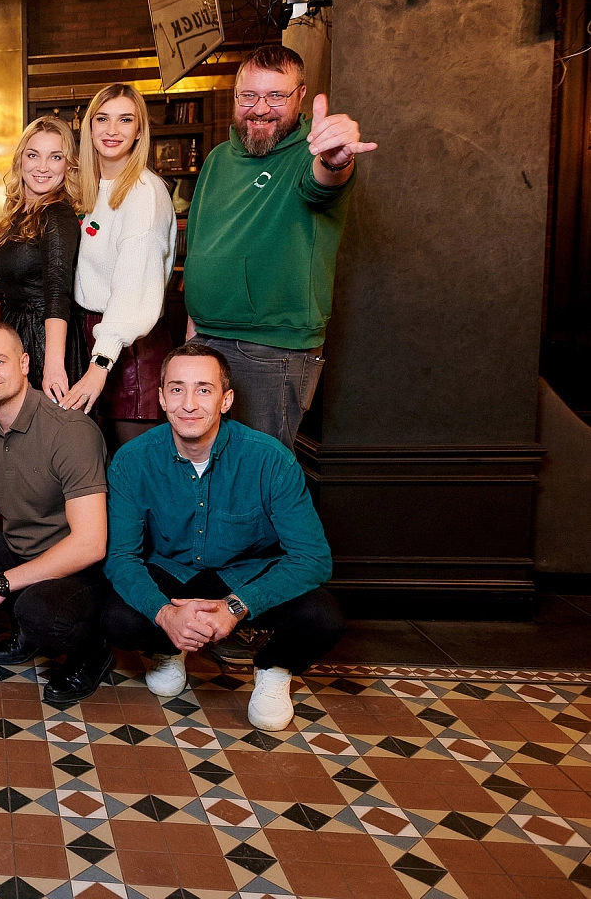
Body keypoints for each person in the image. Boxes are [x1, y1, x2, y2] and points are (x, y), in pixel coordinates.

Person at [101, 342, 344, 731]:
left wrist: (236, 606)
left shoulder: (270, 459)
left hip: (245, 574)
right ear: (161, 398)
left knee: (322, 616)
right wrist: (166, 615)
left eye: (204, 389)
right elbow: (121, 558)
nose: (189, 404)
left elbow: (313, 558)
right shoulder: (132, 460)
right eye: (177, 389)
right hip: (173, 573)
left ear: (226, 400)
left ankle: (274, 667)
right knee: (118, 617)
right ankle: (172, 646)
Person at [184, 45, 377, 449]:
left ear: (300, 96)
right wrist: (192, 338)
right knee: (205, 462)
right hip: (206, 340)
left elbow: (323, 183)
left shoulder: (309, 153)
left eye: (276, 96)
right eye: (249, 95)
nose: (260, 109)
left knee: (259, 468)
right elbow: (202, 246)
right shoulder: (218, 159)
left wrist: (336, 160)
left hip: (272, 350)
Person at [0, 322, 111, 706]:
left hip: (82, 569)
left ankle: (93, 650)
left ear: (25, 363)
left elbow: (91, 544)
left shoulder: (70, 431)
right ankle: (24, 621)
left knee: (41, 614)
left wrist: (1, 584)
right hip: (21, 551)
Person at [61, 83, 178, 446]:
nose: (112, 130)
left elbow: (132, 288)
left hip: (130, 350)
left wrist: (100, 365)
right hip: (92, 340)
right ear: (89, 127)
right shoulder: (85, 187)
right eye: (103, 119)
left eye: (125, 120)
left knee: (136, 467)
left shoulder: (144, 191)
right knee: (96, 466)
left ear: (139, 130)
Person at [0, 117, 85, 405]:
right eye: (33, 155)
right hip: (18, 335)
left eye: (55, 157)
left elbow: (58, 293)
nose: (42, 167)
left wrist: (54, 365)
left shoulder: (57, 214)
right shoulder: (18, 216)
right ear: (20, 160)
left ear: (68, 165)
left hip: (45, 340)